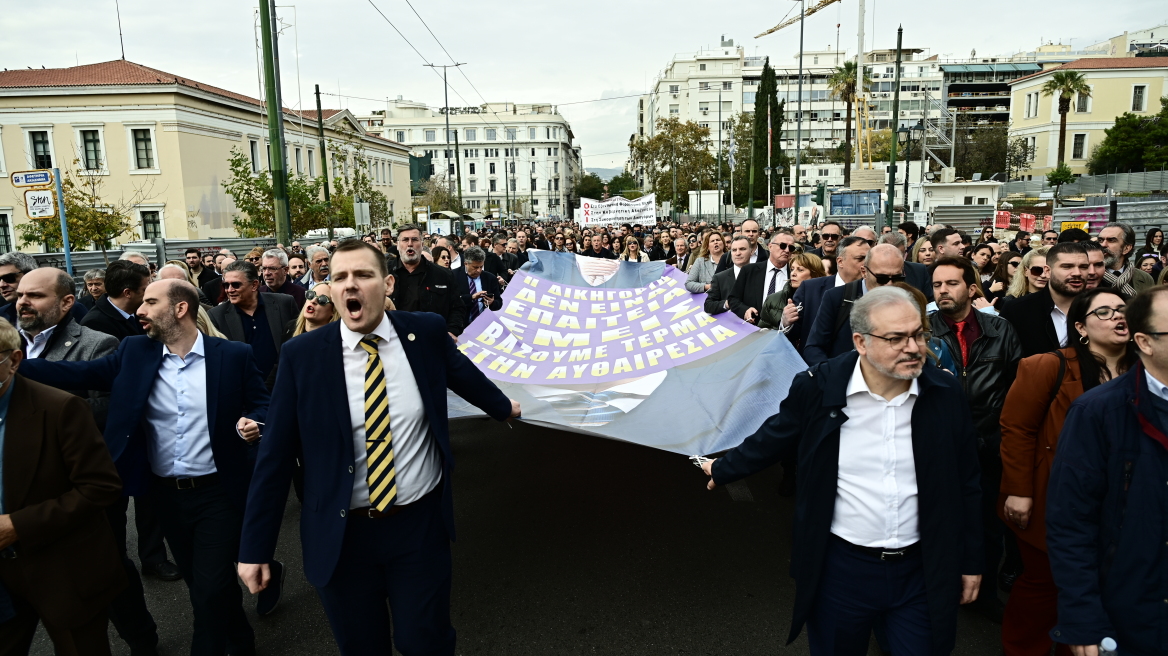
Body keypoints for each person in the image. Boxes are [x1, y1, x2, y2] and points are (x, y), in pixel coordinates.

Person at [236, 240, 520, 655]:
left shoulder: (422, 332)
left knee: (424, 641)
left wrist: (503, 407)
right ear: (330, 289)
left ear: (387, 284)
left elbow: (462, 374)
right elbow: (275, 456)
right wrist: (255, 548)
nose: (352, 285)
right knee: (362, 645)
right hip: (341, 534)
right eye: (340, 277)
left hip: (418, 526)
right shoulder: (303, 356)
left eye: (363, 275)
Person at [700, 286, 983, 656]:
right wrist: (725, 468)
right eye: (896, 338)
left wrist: (972, 561)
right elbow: (777, 435)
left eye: (918, 334)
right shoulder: (821, 386)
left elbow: (968, 482)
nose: (913, 348)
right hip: (841, 571)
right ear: (860, 342)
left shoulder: (944, 392)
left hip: (922, 571)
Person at [20, 279, 271, 656]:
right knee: (202, 584)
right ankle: (241, 639)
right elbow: (78, 376)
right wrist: (14, 366)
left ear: (180, 309)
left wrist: (255, 423)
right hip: (165, 496)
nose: (139, 310)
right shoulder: (135, 352)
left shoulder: (232, 355)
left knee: (209, 588)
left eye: (150, 303)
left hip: (219, 492)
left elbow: (263, 405)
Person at [998, 288, 1136, 656]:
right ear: (1081, 327)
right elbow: (1017, 428)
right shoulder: (1048, 365)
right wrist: (1019, 490)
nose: (1117, 317)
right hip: (1053, 496)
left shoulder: (1146, 370)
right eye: (1104, 312)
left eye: (1123, 309)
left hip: (1121, 500)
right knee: (1044, 584)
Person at [1046, 286, 1168, 656]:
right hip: (1132, 608)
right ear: (1144, 342)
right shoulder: (1098, 412)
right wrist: (1082, 618)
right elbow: (1071, 521)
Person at [0, 318, 126, 656]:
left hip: (61, 571)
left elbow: (100, 487)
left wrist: (18, 526)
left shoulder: (60, 408)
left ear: (14, 361)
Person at [928, 256, 1022, 620]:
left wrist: (1001, 437)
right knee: (936, 520)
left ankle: (981, 594)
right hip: (939, 444)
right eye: (937, 285)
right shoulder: (925, 330)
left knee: (987, 523)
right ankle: (936, 588)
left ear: (971, 288)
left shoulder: (1000, 330)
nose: (943, 291)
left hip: (987, 443)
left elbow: (1016, 388)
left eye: (951, 283)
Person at [14, 267, 118, 423]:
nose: (22, 302)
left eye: (35, 295)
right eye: (20, 295)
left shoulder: (98, 343)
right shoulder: (8, 343)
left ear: (66, 302)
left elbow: (107, 407)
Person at [804, 244, 907, 365]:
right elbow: (814, 348)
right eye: (882, 278)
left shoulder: (908, 300)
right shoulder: (836, 298)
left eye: (897, 278)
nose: (890, 285)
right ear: (864, 272)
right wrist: (832, 376)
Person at [209, 261, 299, 389]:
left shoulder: (284, 304)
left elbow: (298, 343)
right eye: (226, 285)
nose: (229, 290)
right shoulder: (217, 316)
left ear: (254, 285)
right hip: (245, 393)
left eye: (236, 285)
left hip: (286, 385)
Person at [788, 236, 872, 358]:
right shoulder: (810, 288)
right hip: (818, 368)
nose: (866, 264)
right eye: (860, 259)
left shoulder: (876, 290)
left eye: (869, 258)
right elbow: (795, 333)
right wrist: (786, 322)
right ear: (840, 261)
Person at [1000, 243, 1088, 358]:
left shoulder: (1100, 308)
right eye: (1067, 266)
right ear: (1047, 271)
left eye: (1083, 267)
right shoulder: (1016, 310)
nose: (1077, 273)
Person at [390, 225, 467, 337]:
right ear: (397, 245)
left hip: (432, 341)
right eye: (405, 240)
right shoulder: (384, 273)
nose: (410, 244)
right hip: (395, 341)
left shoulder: (443, 275)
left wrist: (452, 331)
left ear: (422, 244)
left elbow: (457, 307)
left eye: (415, 239)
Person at [729, 230, 796, 324]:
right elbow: (733, 299)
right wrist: (745, 310)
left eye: (791, 247)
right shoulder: (749, 271)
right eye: (782, 246)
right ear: (770, 246)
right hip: (753, 329)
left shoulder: (795, 275)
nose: (787, 250)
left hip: (782, 331)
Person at [759, 252, 826, 340]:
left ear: (815, 273)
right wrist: (784, 324)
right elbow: (762, 334)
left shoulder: (827, 299)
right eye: (792, 269)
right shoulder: (773, 299)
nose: (793, 273)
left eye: (800, 270)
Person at [1098, 222, 1155, 298]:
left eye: (1111, 240)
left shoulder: (1145, 278)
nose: (1103, 245)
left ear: (1126, 248)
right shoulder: (1090, 276)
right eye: (1100, 240)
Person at [452, 246, 503, 326]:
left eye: (481, 266)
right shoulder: (453, 276)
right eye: (475, 267)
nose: (479, 270)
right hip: (461, 325)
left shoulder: (490, 278)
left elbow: (499, 303)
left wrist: (492, 302)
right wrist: (471, 297)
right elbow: (452, 301)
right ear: (466, 264)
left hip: (484, 326)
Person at [704, 236, 752, 315]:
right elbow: (708, 305)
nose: (738, 253)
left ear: (751, 251)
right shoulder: (720, 278)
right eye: (734, 250)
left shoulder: (761, 273)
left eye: (742, 249)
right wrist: (727, 304)